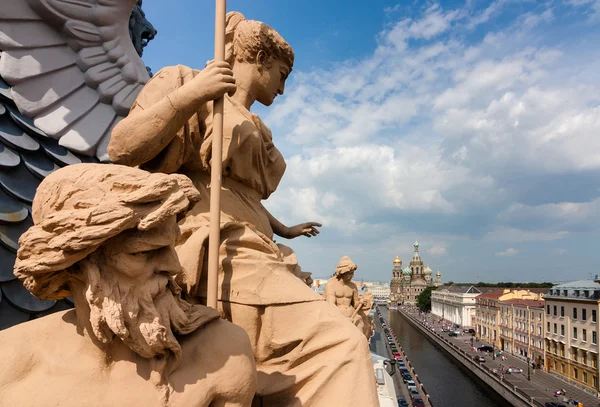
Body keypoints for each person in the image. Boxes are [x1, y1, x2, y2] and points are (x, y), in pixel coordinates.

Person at [107, 11, 378, 406]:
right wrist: (193, 94)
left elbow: (241, 194)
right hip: (221, 245)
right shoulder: (186, 81)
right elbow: (122, 148)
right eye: (282, 75)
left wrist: (284, 229)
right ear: (261, 60)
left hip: (259, 243)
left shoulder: (253, 123)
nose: (283, 90)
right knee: (344, 344)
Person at [0, 164, 256, 406]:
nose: (174, 267)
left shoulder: (222, 355)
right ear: (75, 264)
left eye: (170, 246)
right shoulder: (10, 361)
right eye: (143, 252)